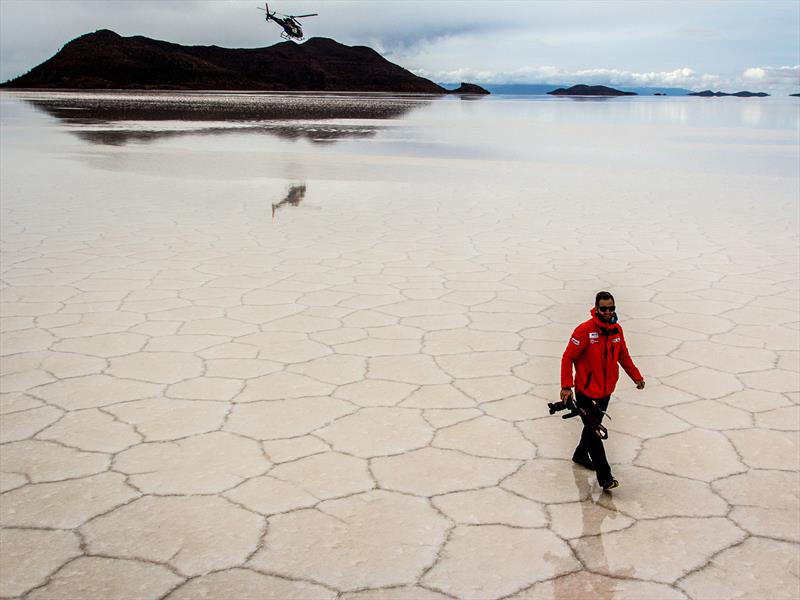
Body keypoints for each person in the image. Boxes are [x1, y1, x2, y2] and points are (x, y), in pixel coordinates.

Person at [560, 291, 645, 491]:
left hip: (606, 391)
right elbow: (567, 358)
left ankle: (580, 455)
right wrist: (566, 386)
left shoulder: (616, 331)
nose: (608, 312)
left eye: (611, 308)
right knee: (595, 432)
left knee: (592, 427)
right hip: (586, 392)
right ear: (596, 309)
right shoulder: (584, 331)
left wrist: (637, 377)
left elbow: (623, 356)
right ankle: (605, 477)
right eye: (604, 308)